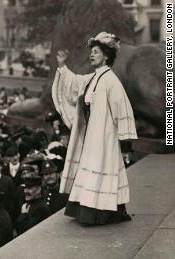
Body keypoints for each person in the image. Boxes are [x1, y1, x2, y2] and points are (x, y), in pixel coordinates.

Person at [52, 32, 137, 225]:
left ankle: (101, 214)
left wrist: (125, 145)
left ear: (106, 56)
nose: (92, 55)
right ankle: (90, 211)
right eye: (91, 52)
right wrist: (62, 65)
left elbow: (122, 109)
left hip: (104, 138)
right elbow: (74, 84)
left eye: (96, 52)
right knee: (92, 170)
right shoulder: (93, 78)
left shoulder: (111, 81)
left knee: (102, 170)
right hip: (92, 137)